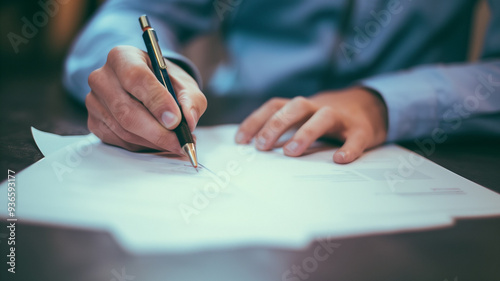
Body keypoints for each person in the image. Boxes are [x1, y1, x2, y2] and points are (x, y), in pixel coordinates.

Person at [64, 0, 500, 164]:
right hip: (238, 128)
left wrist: (381, 103)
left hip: (426, 146)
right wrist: (144, 72)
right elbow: (132, 12)